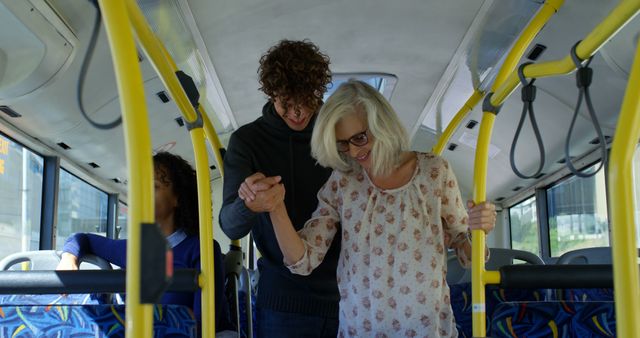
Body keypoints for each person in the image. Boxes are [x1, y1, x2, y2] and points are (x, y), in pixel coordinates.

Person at [261, 80, 496, 337]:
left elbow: (467, 253)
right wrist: (276, 209)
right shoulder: (343, 182)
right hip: (361, 329)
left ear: (382, 125)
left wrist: (478, 230)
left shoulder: (434, 172)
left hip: (427, 329)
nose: (353, 151)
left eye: (360, 138)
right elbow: (303, 260)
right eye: (343, 144)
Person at [219, 39, 339, 337]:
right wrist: (249, 204)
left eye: (306, 101)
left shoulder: (338, 134)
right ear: (272, 95)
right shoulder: (247, 142)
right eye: (287, 102)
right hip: (282, 302)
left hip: (349, 293)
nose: (298, 113)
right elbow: (230, 226)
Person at [57, 152, 235, 336]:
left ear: (178, 199)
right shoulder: (134, 249)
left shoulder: (202, 250)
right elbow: (81, 239)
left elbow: (203, 324)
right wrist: (69, 258)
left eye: (154, 187)